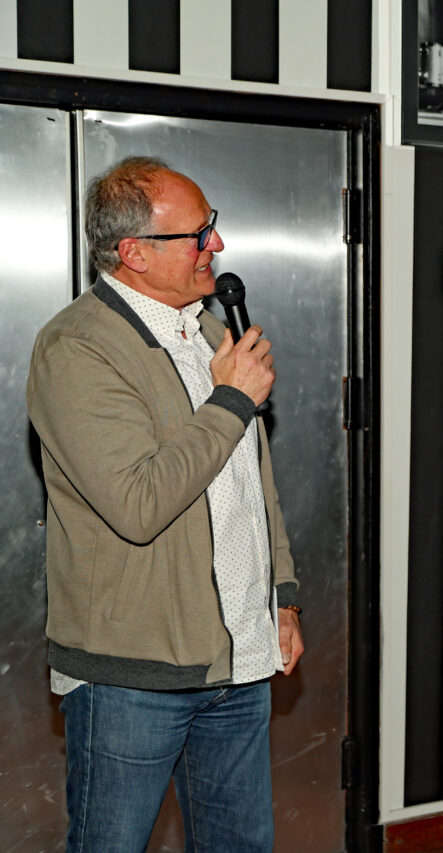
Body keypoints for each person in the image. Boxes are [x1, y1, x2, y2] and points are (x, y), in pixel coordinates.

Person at [26, 156, 302, 852]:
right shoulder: (77, 348)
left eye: (213, 226)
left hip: (239, 658)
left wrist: (282, 596)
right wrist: (232, 399)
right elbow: (139, 502)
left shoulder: (207, 331)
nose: (216, 244)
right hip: (132, 676)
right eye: (198, 234)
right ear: (135, 253)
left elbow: (252, 480)